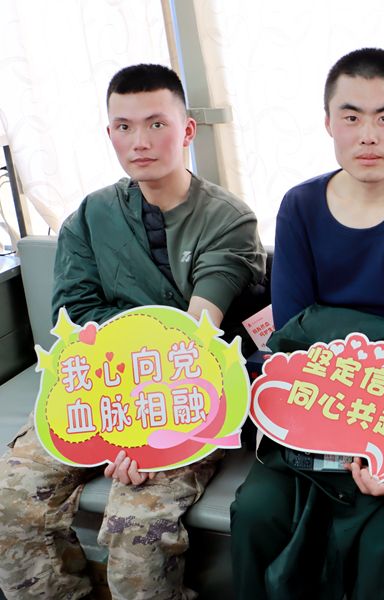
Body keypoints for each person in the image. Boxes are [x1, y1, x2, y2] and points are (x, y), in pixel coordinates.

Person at [0, 63, 266, 599]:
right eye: (124, 126)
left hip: (187, 398)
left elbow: (197, 333)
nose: (139, 141)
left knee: (135, 530)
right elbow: (75, 320)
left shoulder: (228, 219)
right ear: (110, 133)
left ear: (187, 130)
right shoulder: (90, 217)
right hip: (97, 392)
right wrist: (109, 418)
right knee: (12, 498)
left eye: (156, 124)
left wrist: (139, 433)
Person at [229, 47, 384, 600]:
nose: (368, 135)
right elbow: (292, 338)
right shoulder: (300, 207)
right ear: (328, 123)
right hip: (311, 408)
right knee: (257, 515)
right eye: (351, 117)